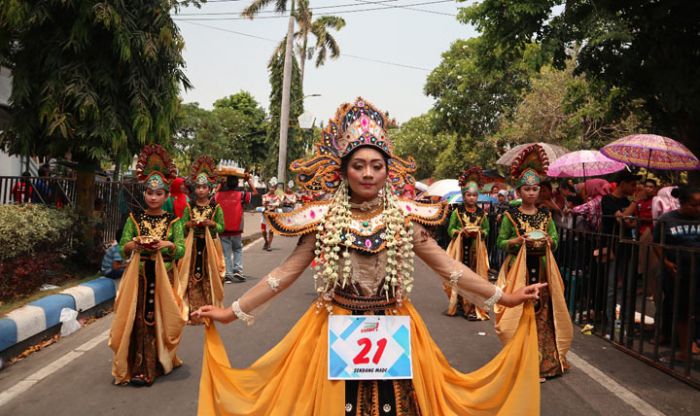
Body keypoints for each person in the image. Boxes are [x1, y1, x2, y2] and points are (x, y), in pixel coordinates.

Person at [191, 98, 546, 415]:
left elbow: (449, 267)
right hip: (335, 326)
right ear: (344, 170)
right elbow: (282, 275)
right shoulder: (324, 217)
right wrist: (229, 313)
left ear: (388, 170)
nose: (368, 173)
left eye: (377, 165)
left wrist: (506, 298)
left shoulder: (404, 216)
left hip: (394, 328)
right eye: (359, 165)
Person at [109, 144, 186, 387]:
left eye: (158, 193)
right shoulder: (134, 219)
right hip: (139, 277)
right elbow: (123, 246)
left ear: (166, 196)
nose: (153, 197)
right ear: (144, 194)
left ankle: (162, 360)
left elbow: (181, 249)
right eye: (149, 193)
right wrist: (134, 244)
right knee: (138, 320)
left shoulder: (174, 222)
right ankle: (140, 367)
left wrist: (166, 244)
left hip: (164, 278)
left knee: (160, 320)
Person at [496, 144, 573, 382]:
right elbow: (500, 242)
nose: (531, 193)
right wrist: (518, 241)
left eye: (535, 189)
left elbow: (557, 241)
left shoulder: (546, 216)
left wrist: (550, 240)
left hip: (542, 272)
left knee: (543, 315)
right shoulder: (511, 215)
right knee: (520, 313)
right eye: (527, 189)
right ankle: (521, 362)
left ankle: (545, 363)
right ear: (519, 192)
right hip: (517, 271)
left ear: (540, 191)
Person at [653, 186, 700, 360]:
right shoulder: (667, 219)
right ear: (682, 203)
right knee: (683, 310)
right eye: (693, 205)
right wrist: (666, 262)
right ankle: (685, 350)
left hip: (699, 270)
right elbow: (656, 243)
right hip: (678, 271)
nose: (697, 209)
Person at [179, 156, 226, 325]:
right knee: (191, 277)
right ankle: (191, 311)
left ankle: (210, 311)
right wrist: (189, 224)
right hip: (192, 247)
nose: (200, 190)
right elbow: (181, 227)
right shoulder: (189, 206)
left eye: (204, 187)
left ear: (210, 189)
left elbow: (222, 227)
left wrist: (212, 224)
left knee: (210, 277)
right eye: (198, 187)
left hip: (210, 248)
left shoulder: (215, 207)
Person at [444, 167, 490, 320]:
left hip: (475, 250)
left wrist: (479, 233)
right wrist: (460, 232)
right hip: (459, 249)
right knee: (458, 276)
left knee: (473, 277)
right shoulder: (457, 212)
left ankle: (471, 307)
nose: (472, 198)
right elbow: (450, 230)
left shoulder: (482, 214)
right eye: (469, 195)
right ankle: (457, 304)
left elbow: (487, 231)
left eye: (475, 195)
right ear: (463, 196)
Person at [216, 173, 258, 282]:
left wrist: (220, 184)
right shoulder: (241, 195)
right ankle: (238, 271)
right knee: (237, 249)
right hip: (236, 228)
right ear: (236, 184)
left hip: (223, 229)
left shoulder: (219, 195)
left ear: (226, 183)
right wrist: (248, 180)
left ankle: (228, 273)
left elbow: (212, 195)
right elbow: (255, 192)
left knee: (226, 252)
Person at [261, 180, 282, 251]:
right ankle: (266, 242)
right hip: (264, 215)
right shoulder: (264, 196)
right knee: (263, 230)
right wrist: (267, 205)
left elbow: (276, 205)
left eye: (273, 187)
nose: (272, 189)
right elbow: (263, 203)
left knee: (271, 230)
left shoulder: (277, 197)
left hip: (273, 215)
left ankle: (269, 245)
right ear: (268, 187)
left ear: (276, 188)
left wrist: (270, 206)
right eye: (271, 187)